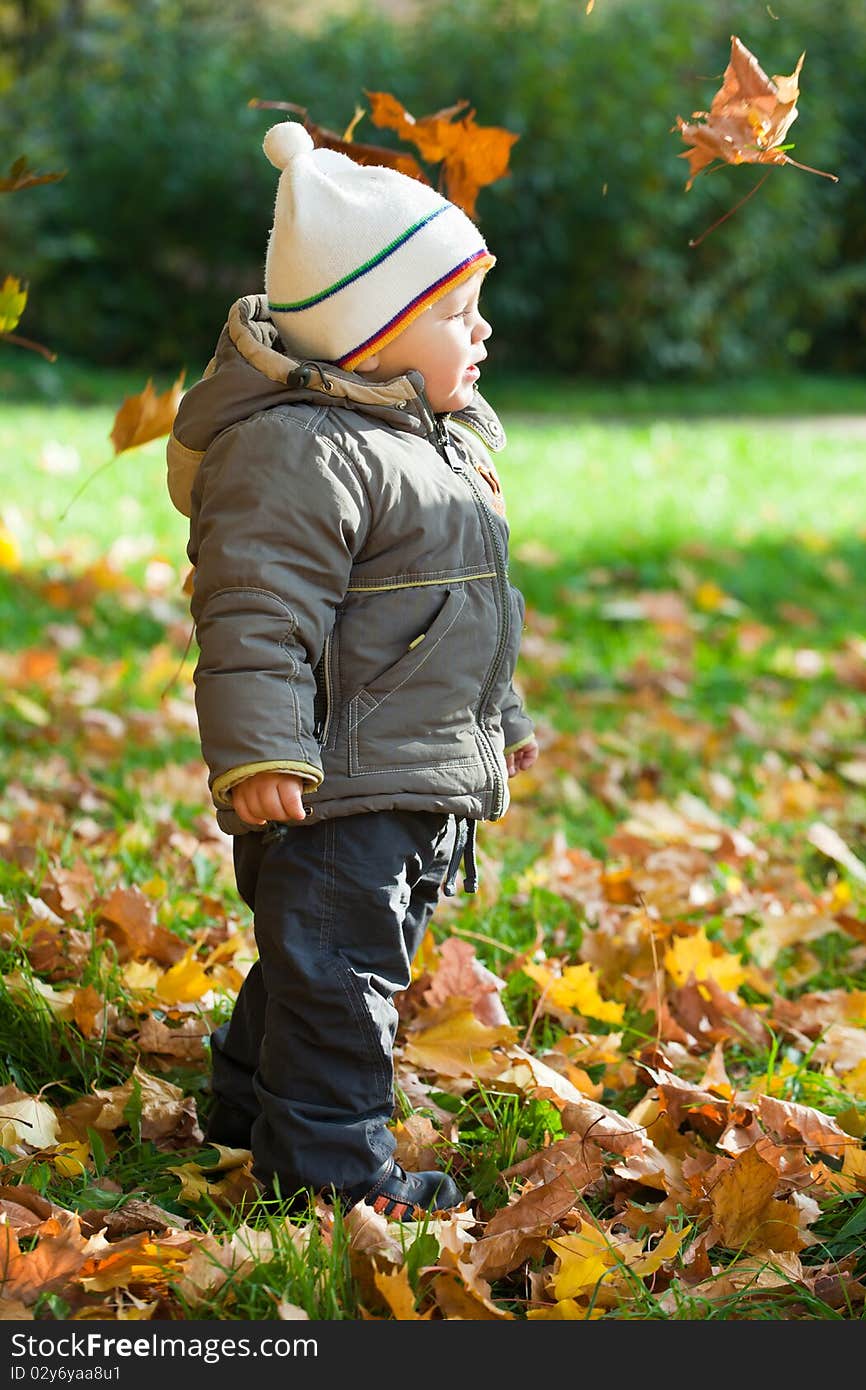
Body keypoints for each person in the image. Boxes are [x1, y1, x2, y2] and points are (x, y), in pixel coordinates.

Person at [166, 120, 538, 1221]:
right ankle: (329, 1178)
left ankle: (246, 1103)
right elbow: (252, 610)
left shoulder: (432, 439)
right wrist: (261, 749)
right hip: (329, 782)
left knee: (315, 960)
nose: (482, 333)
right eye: (456, 313)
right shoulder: (298, 451)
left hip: (409, 768)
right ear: (372, 332)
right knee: (339, 978)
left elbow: (473, 607)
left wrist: (499, 713)